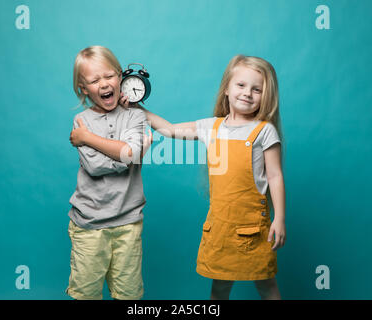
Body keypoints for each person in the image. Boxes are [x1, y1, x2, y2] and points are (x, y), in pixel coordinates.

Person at [123, 55, 286, 300]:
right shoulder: (212, 127)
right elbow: (170, 129)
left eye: (257, 89)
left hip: (252, 227)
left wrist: (280, 218)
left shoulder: (265, 131)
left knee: (265, 284)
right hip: (221, 226)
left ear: (266, 96)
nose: (247, 93)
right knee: (219, 288)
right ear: (227, 90)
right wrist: (140, 109)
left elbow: (275, 175)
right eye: (241, 85)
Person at [66, 45, 151, 300]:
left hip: (128, 222)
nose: (104, 84)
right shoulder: (82, 122)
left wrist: (89, 140)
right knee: (86, 293)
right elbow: (95, 165)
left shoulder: (134, 116)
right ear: (84, 88)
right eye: (94, 80)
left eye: (109, 76)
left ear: (120, 77)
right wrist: (128, 154)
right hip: (89, 224)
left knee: (128, 294)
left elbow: (128, 154)